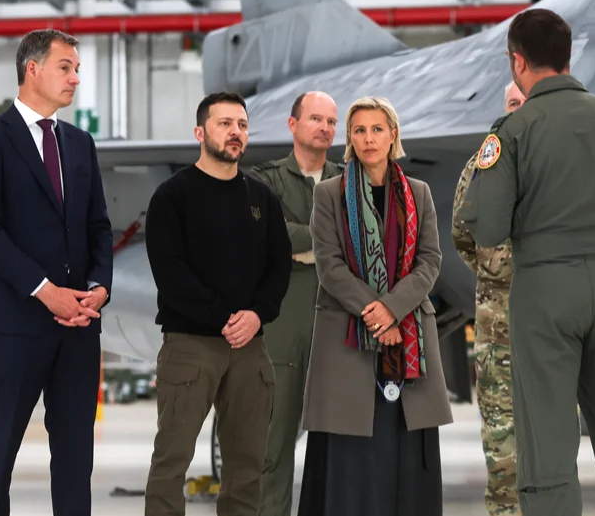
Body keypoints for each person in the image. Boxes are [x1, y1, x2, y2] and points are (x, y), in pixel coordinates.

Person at [456, 8, 595, 516]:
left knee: (548, 447)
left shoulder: (511, 131)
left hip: (545, 292)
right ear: (567, 56)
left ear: (517, 61)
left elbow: (487, 229)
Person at [0, 29, 113, 516]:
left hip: (79, 326)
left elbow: (98, 226)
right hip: (13, 325)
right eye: (66, 67)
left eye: (77, 69)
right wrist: (47, 292)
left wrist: (98, 287)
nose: (75, 78)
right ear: (33, 68)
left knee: (75, 461)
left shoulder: (80, 143)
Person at [298, 95, 453, 515]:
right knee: (351, 457)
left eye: (377, 129)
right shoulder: (329, 194)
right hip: (348, 342)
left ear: (392, 135)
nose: (368, 138)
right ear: (350, 138)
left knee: (405, 451)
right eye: (360, 130)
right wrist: (378, 314)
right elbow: (329, 266)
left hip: (408, 338)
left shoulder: (418, 193)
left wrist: (393, 310)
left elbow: (429, 261)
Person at [143, 91, 292, 516]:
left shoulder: (261, 198)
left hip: (250, 347)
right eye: (224, 123)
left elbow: (279, 265)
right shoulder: (172, 196)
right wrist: (222, 317)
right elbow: (170, 272)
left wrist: (257, 314)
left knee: (247, 467)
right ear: (200, 132)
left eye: (242, 125)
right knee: (171, 460)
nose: (235, 132)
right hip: (191, 346)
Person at [248, 91, 342, 516]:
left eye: (331, 121)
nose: (324, 128)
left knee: (342, 445)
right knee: (273, 443)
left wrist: (300, 247)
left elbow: (362, 237)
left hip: (339, 326)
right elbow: (267, 236)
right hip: (283, 327)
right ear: (293, 124)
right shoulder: (264, 180)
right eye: (315, 119)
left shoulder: (349, 180)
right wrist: (330, 246)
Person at [452, 82, 526, 516]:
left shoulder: (560, 161)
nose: (518, 111)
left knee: (553, 430)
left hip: (552, 315)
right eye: (512, 103)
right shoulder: (484, 163)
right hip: (498, 318)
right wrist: (496, 273)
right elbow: (462, 231)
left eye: (525, 103)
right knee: (501, 432)